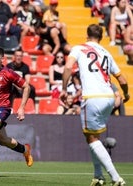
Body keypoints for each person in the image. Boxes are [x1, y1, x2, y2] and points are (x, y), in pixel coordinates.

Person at [60, 24, 130, 186]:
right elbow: (122, 80)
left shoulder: (78, 49)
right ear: (102, 37)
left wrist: (64, 89)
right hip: (109, 97)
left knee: (92, 139)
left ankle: (115, 177)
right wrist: (126, 94)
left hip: (92, 97)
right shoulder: (106, 53)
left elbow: (68, 67)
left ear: (87, 35)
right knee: (93, 136)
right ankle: (98, 176)